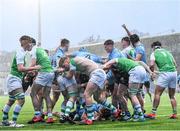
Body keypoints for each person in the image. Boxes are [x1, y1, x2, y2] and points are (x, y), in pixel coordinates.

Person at [59, 56, 120, 125]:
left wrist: (62, 72)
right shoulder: (77, 61)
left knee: (86, 95)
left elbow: (70, 76)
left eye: (64, 66)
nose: (65, 68)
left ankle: (90, 119)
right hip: (100, 74)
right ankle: (115, 111)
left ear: (67, 61)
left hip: (96, 74)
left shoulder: (72, 61)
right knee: (98, 98)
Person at [2, 35, 41, 127]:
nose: (32, 45)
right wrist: (34, 67)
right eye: (31, 43)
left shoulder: (22, 52)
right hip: (14, 79)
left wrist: (29, 72)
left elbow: (21, 69)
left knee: (11, 100)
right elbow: (20, 68)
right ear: (26, 43)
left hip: (14, 78)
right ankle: (13, 122)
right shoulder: (20, 53)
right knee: (21, 99)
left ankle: (4, 121)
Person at [122, 24, 152, 109]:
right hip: (140, 71)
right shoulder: (139, 45)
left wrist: (128, 58)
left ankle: (141, 110)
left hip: (140, 71)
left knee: (137, 93)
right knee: (137, 93)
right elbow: (131, 36)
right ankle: (140, 110)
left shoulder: (139, 49)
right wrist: (126, 28)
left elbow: (136, 61)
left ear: (132, 42)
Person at [146, 41, 178, 119]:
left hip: (165, 74)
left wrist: (152, 72)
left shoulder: (154, 53)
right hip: (174, 73)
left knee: (157, 94)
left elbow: (151, 64)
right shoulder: (168, 52)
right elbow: (175, 65)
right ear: (160, 46)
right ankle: (175, 114)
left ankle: (153, 114)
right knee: (172, 96)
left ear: (153, 47)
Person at [30, 46, 55, 123]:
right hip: (51, 73)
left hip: (44, 73)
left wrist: (26, 71)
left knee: (33, 93)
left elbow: (33, 65)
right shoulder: (42, 52)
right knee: (46, 95)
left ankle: (38, 116)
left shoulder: (34, 51)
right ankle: (50, 116)